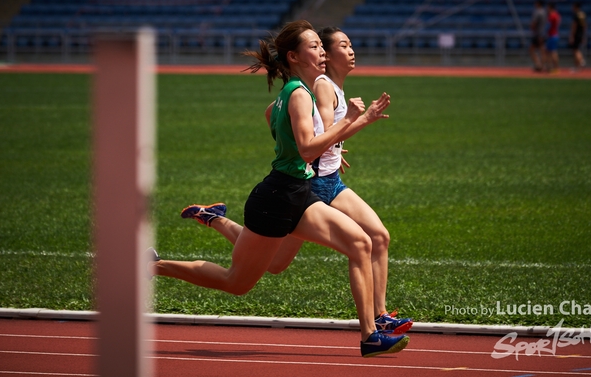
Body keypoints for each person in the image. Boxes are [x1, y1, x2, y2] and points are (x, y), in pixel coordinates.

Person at [148, 20, 409, 357]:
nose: (322, 51)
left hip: (298, 193)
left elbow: (278, 122)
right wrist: (349, 122)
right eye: (314, 46)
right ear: (294, 56)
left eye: (320, 44)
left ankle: (371, 335)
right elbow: (306, 149)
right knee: (236, 283)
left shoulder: (300, 90)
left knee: (361, 242)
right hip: (276, 199)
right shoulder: (299, 93)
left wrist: (326, 143)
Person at [529, 0, 547, 72]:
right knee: (542, 50)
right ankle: (542, 65)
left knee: (532, 49)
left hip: (537, 34)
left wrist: (532, 27)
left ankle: (538, 65)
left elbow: (534, 24)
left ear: (538, 4)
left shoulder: (537, 12)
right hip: (543, 33)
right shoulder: (545, 12)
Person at [569, 2, 587, 70]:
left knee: (575, 50)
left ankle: (582, 61)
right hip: (581, 34)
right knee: (577, 49)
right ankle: (577, 66)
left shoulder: (576, 14)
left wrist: (572, 36)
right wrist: (584, 35)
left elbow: (574, 26)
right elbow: (585, 25)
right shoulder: (582, 14)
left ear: (575, 7)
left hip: (576, 34)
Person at [545, 2, 561, 73]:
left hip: (552, 35)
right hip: (555, 34)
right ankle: (550, 67)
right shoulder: (557, 15)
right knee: (549, 52)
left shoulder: (552, 15)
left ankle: (555, 68)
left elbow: (548, 26)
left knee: (553, 52)